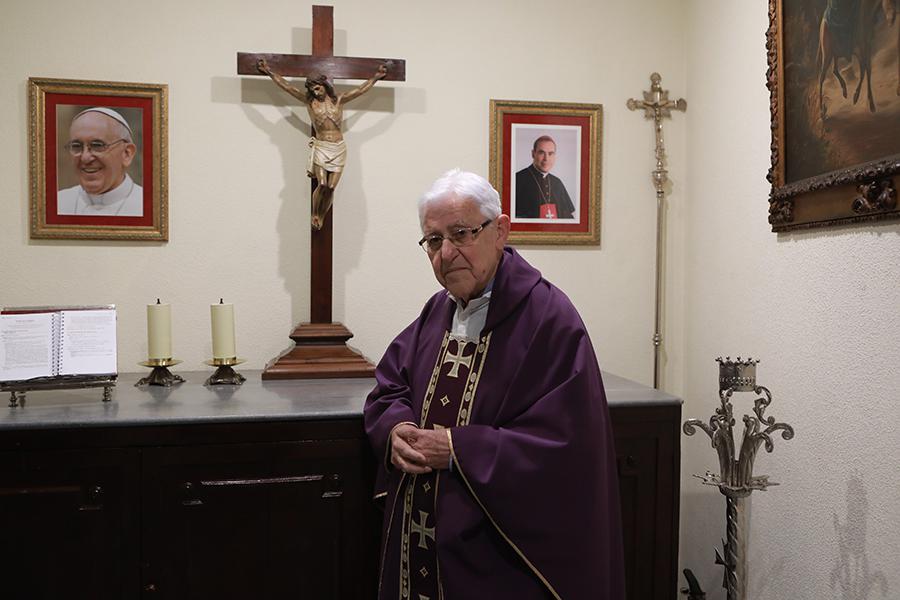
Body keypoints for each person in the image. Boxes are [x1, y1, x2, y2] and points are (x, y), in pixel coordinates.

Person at [364, 169, 624, 599]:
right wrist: (396, 429)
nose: (445, 254)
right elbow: (391, 385)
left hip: (501, 555)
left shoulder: (549, 319)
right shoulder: (438, 312)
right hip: (425, 540)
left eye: (461, 234)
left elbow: (568, 447)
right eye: (433, 241)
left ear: (500, 230)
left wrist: (458, 450)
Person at [257, 58, 389, 230]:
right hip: (321, 146)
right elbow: (287, 87)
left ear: (324, 85)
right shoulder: (309, 102)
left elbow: (360, 90)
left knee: (332, 187)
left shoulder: (338, 100)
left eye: (317, 87)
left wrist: (376, 77)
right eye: (312, 89)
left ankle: (322, 214)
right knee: (323, 184)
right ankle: (315, 214)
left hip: (338, 147)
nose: (316, 92)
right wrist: (269, 72)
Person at [57, 107, 143, 217]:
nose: (85, 158)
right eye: (77, 146)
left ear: (127, 153)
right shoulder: (58, 203)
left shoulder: (149, 206)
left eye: (97, 145)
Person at [515, 135, 575, 219]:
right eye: (541, 152)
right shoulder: (517, 179)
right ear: (533, 154)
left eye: (550, 153)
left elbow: (568, 217)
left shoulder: (557, 182)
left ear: (554, 156)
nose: (546, 158)